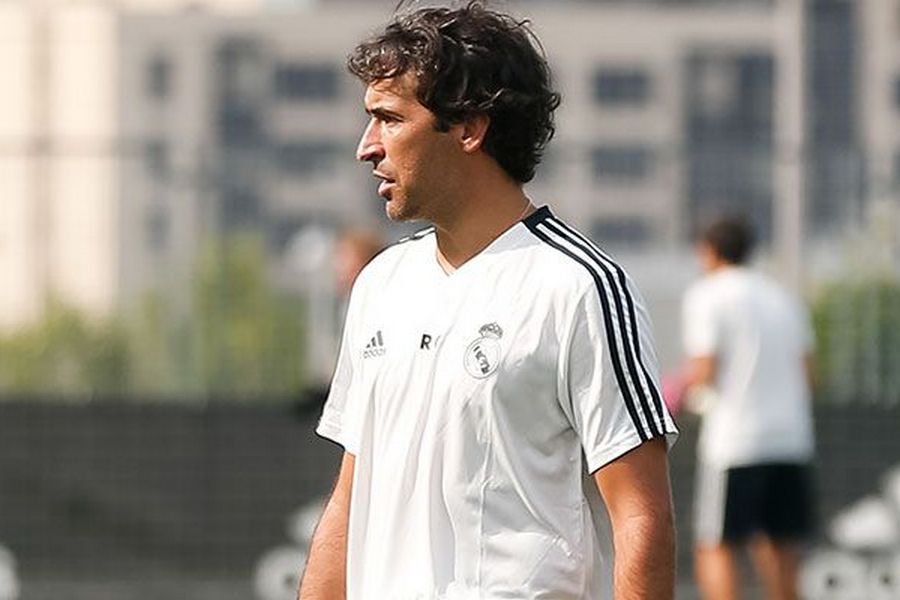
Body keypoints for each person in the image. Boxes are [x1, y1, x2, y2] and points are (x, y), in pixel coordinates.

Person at [299, 3, 677, 598]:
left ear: (469, 129)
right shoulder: (380, 285)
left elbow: (641, 517)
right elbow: (350, 502)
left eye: (389, 119)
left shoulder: (579, 287)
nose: (366, 147)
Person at [682, 217, 815, 600]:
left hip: (735, 443)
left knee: (716, 546)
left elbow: (705, 369)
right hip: (790, 441)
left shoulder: (708, 295)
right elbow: (809, 373)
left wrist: (675, 393)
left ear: (710, 251)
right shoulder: (782, 297)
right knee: (781, 546)